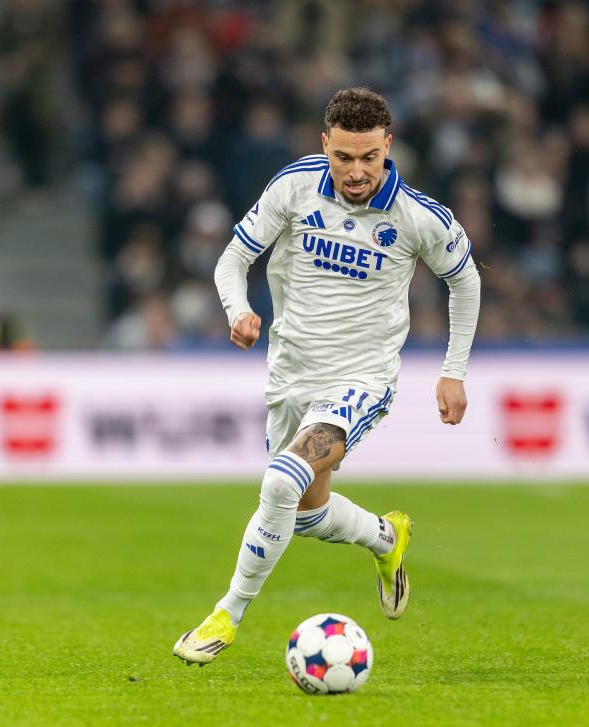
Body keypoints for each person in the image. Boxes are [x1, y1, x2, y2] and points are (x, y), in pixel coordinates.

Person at [174, 88, 481, 665]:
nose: (357, 171)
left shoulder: (419, 216)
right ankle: (386, 537)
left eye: (369, 157)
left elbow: (464, 280)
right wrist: (237, 309)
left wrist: (453, 370)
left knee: (279, 483)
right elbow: (233, 259)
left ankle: (226, 615)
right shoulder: (294, 186)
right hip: (290, 373)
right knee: (306, 512)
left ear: (388, 146)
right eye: (343, 157)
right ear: (325, 145)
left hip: (360, 379)